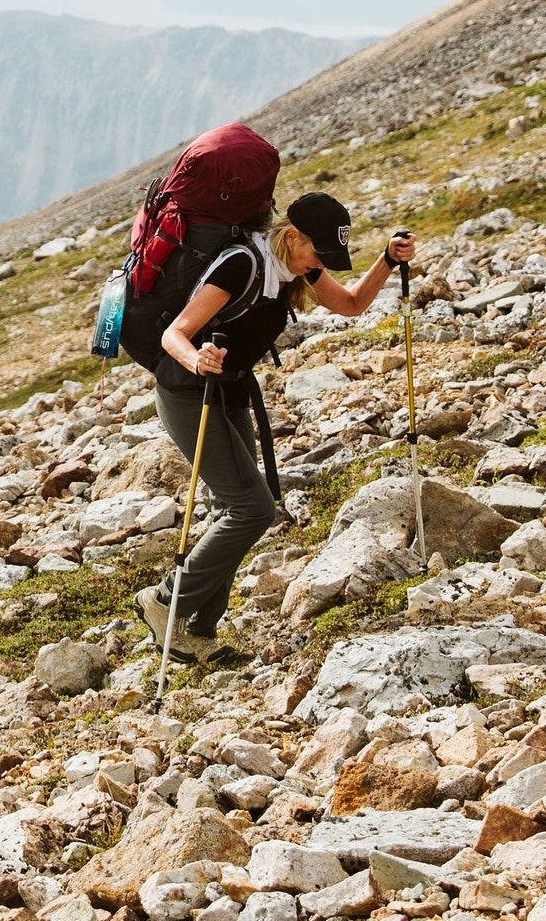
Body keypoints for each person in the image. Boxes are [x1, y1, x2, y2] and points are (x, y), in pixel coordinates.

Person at [133, 192, 417, 664]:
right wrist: (197, 358)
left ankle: (198, 630)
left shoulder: (294, 267)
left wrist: (387, 261)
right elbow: (174, 334)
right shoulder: (240, 266)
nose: (320, 266)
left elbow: (350, 305)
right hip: (187, 393)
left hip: (231, 391)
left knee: (238, 508)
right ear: (290, 237)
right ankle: (164, 602)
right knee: (252, 509)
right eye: (317, 254)